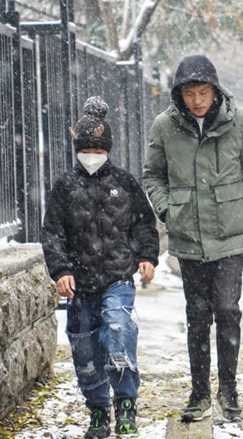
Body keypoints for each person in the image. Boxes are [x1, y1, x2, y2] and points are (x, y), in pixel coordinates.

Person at [143, 55, 243, 423]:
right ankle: (200, 391)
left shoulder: (239, 123)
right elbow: (152, 176)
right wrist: (169, 210)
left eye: (204, 92)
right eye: (190, 93)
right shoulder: (165, 127)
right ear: (180, 95)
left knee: (228, 311)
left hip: (228, 238)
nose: (198, 100)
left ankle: (229, 390)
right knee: (197, 315)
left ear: (215, 91)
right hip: (188, 238)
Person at [41, 96, 159, 438]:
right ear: (76, 147)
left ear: (108, 149)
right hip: (79, 284)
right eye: (86, 148)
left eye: (99, 149)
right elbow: (52, 233)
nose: (92, 155)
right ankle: (97, 410)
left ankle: (125, 404)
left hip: (117, 278)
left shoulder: (124, 183)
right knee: (85, 349)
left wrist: (147, 257)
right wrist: (61, 270)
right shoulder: (65, 187)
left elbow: (143, 224)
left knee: (118, 331)